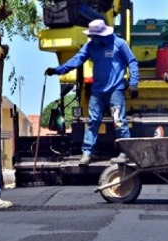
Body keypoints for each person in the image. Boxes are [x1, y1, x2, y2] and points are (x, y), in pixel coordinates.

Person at [45, 19, 139, 165]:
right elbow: (77, 60)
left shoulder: (119, 44)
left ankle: (124, 152)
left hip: (115, 91)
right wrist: (58, 70)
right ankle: (87, 153)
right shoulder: (90, 47)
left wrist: (133, 83)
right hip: (98, 92)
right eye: (91, 36)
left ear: (103, 35)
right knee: (93, 121)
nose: (92, 39)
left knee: (118, 120)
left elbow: (132, 62)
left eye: (95, 36)